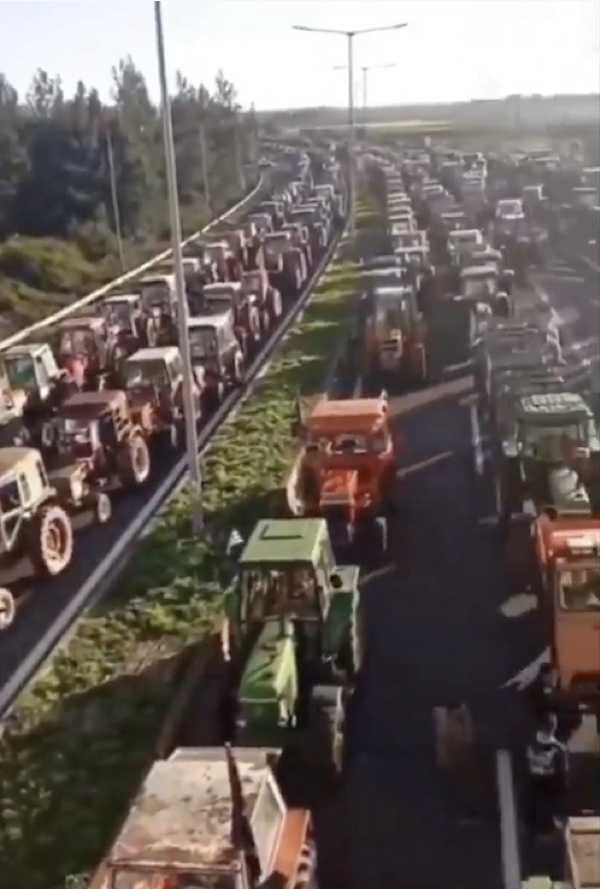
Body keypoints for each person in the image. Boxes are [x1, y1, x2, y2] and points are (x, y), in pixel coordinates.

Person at [526, 712, 569, 835]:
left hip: (534, 796)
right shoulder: (559, 749)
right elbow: (563, 777)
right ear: (554, 727)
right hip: (549, 793)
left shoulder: (529, 745)